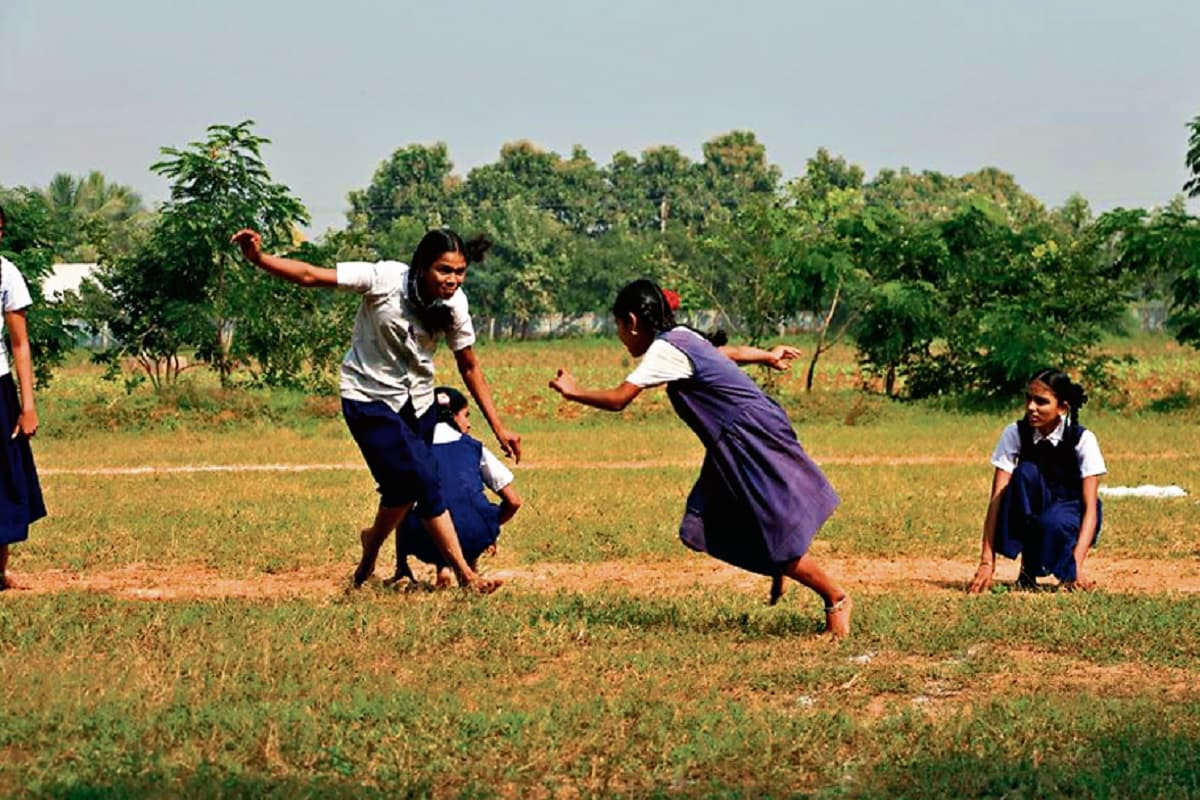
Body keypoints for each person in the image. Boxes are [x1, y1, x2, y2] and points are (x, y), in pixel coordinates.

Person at [548, 279, 852, 636]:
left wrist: (573, 392)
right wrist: (767, 355)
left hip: (747, 438)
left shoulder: (665, 349)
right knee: (708, 521)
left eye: (618, 327)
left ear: (631, 321)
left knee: (775, 527)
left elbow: (619, 399)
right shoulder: (682, 337)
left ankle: (836, 599)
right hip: (738, 437)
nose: (620, 336)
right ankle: (778, 565)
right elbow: (729, 353)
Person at [231, 227, 521, 592]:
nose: (452, 280)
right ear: (421, 266)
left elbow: (469, 366)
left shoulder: (455, 304)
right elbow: (310, 276)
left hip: (418, 402)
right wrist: (259, 259)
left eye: (459, 272)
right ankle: (466, 575)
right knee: (422, 478)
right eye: (444, 270)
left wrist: (499, 427)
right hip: (367, 398)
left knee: (407, 488)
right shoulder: (384, 279)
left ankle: (371, 546)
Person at [968, 369, 1105, 593]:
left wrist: (1077, 565)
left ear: (1062, 407)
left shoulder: (1082, 439)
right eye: (1028, 399)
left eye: (1041, 402)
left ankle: (1065, 570)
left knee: (1053, 521)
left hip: (1072, 511)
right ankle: (1028, 569)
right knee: (1025, 473)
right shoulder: (1015, 433)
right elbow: (998, 498)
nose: (1031, 407)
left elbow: (1090, 508)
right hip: (1036, 507)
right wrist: (986, 561)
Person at [389, 385, 522, 588]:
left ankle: (425, 567)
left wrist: (402, 560)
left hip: (424, 543)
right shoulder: (473, 447)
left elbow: (399, 503)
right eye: (466, 416)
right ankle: (467, 565)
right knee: (468, 510)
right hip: (474, 537)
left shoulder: (415, 449)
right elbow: (513, 502)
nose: (468, 425)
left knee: (405, 503)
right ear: (453, 416)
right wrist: (488, 529)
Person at [0, 204, 47, 590]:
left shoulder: (6, 273)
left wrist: (27, 406)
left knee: (4, 477)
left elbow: (20, 343)